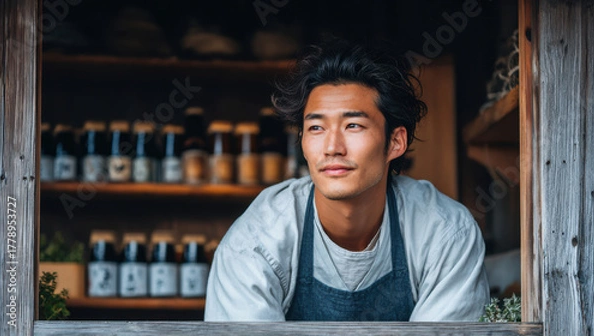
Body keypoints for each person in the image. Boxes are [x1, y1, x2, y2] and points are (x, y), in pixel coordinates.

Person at [205, 39, 489, 321]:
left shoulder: (445, 233)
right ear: (302, 141)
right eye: (316, 127)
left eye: (353, 125)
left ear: (395, 142)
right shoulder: (256, 241)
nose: (332, 147)